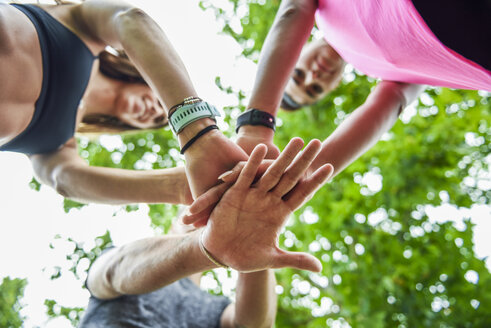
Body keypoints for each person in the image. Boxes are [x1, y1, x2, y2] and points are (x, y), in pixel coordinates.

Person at [0, 0, 250, 206]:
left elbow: (63, 181)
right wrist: (198, 132)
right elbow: (129, 19)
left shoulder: (58, 147)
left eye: (155, 120)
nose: (154, 111)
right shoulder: (80, 27)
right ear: (144, 74)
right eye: (162, 106)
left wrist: (184, 187)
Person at [78, 140, 334, 328]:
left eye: (213, 211)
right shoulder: (130, 260)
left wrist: (254, 247)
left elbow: (252, 326)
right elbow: (113, 272)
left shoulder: (215, 309)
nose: (207, 218)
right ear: (172, 226)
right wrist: (201, 248)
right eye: (197, 211)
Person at [235, 0, 491, 178]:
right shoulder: (385, 72)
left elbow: (293, 9)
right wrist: (305, 175)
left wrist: (255, 128)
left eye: (297, 74)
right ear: (332, 87)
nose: (313, 76)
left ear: (295, 53)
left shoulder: (321, 11)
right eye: (314, 89)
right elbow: (390, 104)